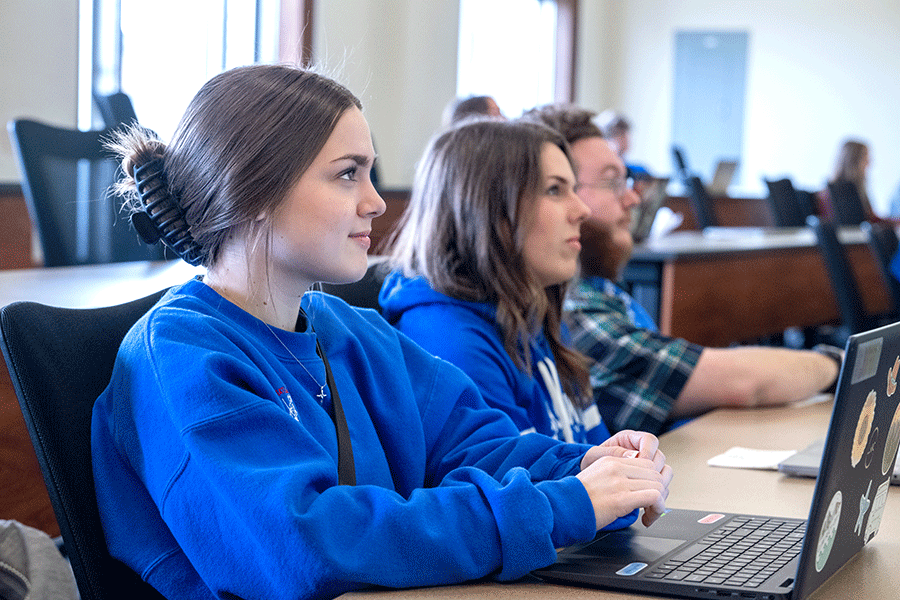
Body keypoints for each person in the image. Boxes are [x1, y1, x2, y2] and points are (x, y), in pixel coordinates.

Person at [90, 65, 672, 600]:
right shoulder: (182, 359)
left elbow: (476, 445)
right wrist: (564, 505)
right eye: (347, 175)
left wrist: (591, 469)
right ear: (254, 192)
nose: (375, 202)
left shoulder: (351, 332)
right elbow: (311, 545)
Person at [523, 103, 843, 435]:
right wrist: (839, 364)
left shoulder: (602, 294)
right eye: (612, 182)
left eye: (627, 180)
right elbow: (741, 382)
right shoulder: (570, 312)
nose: (633, 199)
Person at [816, 138, 880, 222]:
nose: (869, 162)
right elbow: (871, 221)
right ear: (853, 161)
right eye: (865, 157)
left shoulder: (859, 190)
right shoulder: (827, 195)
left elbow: (872, 219)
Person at [594, 109, 651, 181]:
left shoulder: (639, 172)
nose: (625, 138)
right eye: (618, 133)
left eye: (625, 133)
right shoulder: (598, 172)